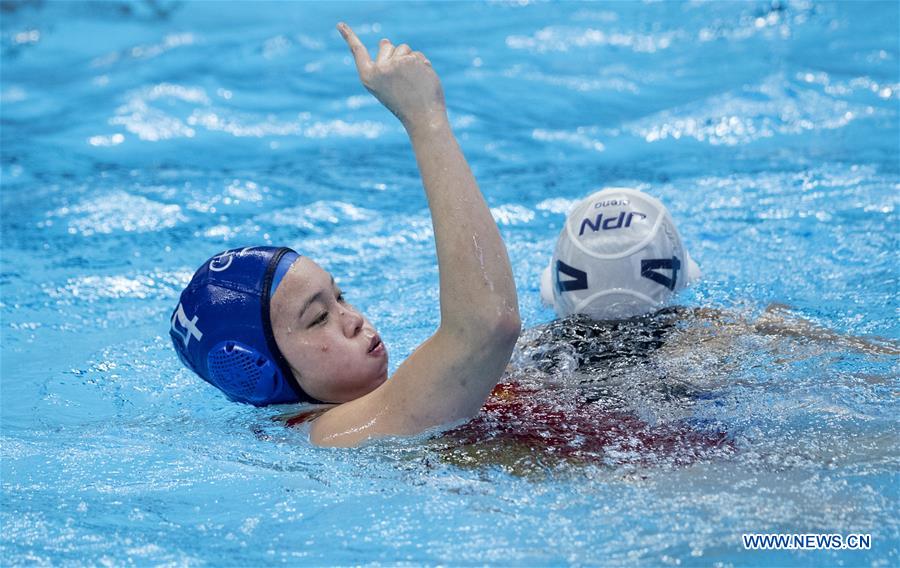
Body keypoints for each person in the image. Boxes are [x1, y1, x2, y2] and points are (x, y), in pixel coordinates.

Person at [170, 23, 521, 448]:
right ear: (257, 370)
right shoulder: (331, 436)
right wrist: (425, 119)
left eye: (340, 297)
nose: (353, 319)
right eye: (318, 318)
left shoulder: (374, 402)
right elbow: (487, 325)